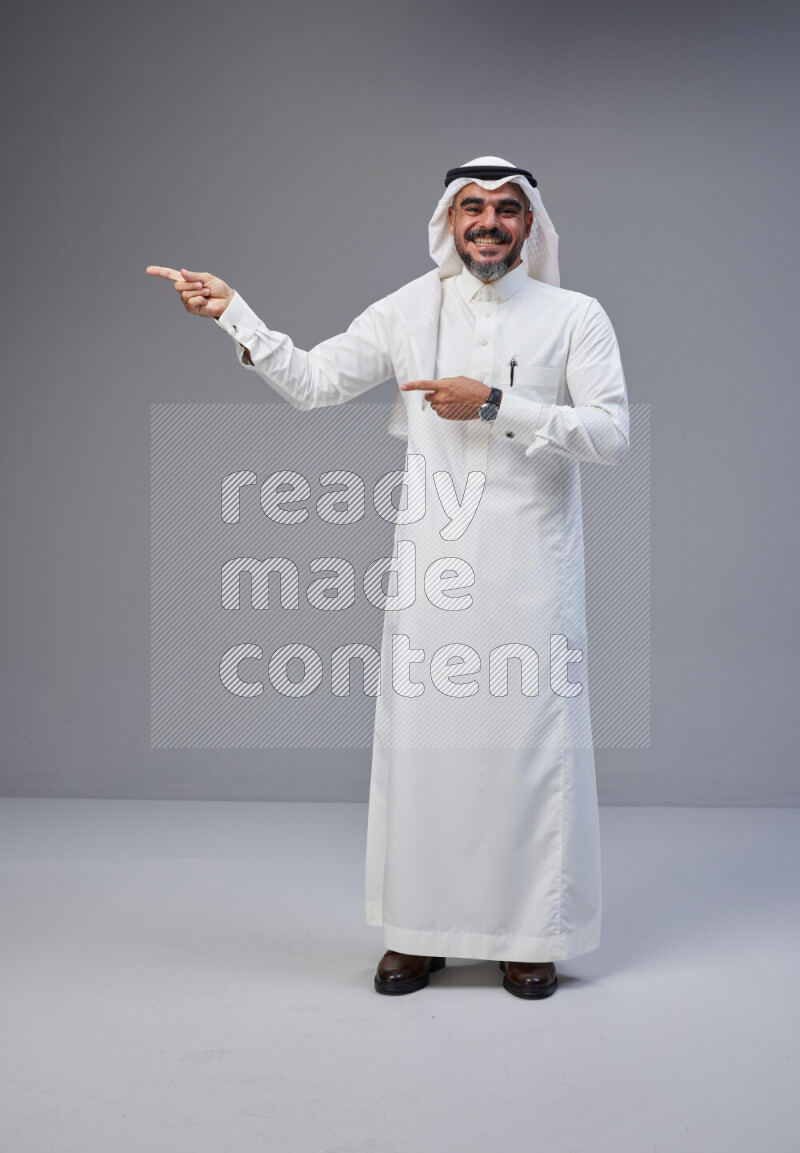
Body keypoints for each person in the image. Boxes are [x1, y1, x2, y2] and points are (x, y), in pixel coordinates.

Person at [147, 155, 630, 1000]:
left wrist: (495, 403)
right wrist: (236, 315)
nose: (488, 222)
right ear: (447, 221)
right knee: (426, 753)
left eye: (507, 209)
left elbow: (612, 434)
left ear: (531, 226)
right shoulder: (411, 308)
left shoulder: (573, 316)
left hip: (532, 573)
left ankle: (530, 936)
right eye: (471, 207)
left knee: (525, 749)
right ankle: (419, 933)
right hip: (432, 575)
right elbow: (315, 381)